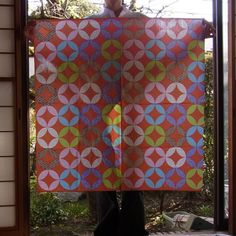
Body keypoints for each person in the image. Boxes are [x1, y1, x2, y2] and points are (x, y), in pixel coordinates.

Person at [90, 2, 149, 236]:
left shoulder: (140, 20)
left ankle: (133, 228)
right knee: (102, 161)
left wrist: (195, 32)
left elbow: (163, 46)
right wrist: (40, 35)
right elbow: (69, 53)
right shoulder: (90, 23)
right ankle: (107, 228)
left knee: (134, 162)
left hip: (135, 96)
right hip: (99, 97)